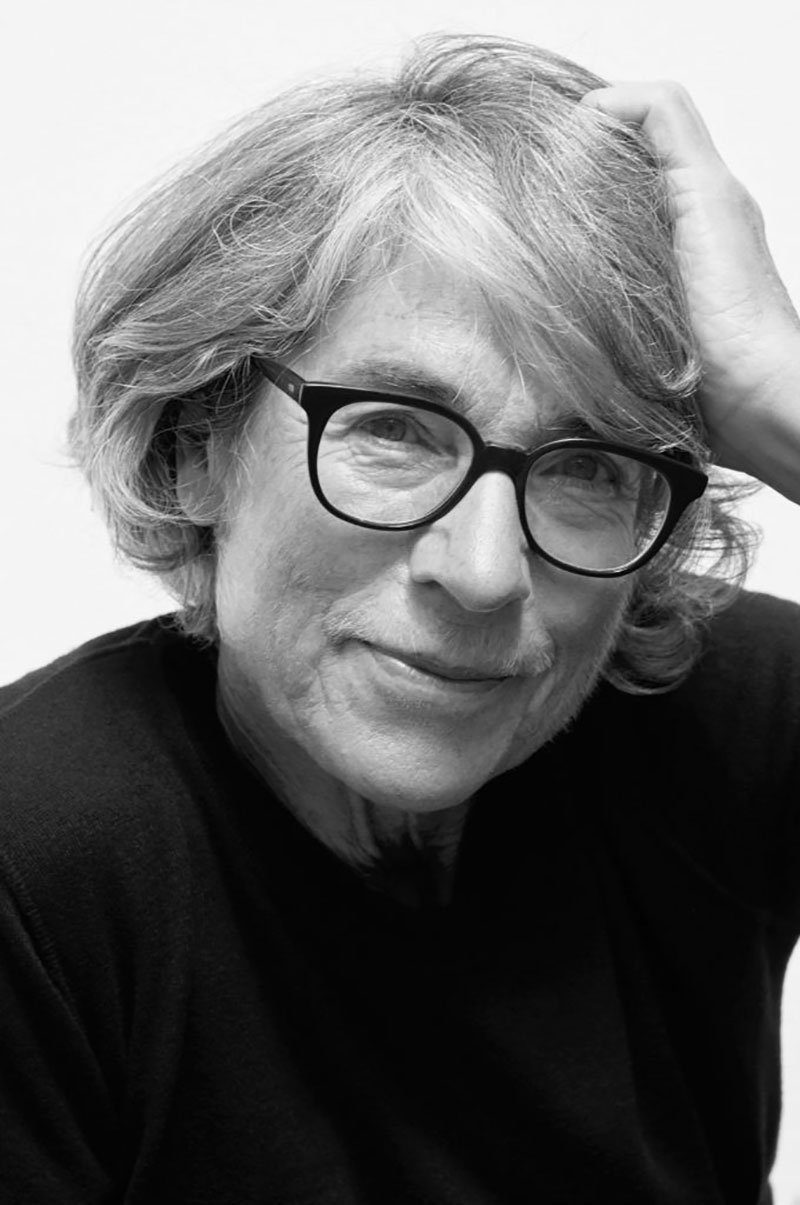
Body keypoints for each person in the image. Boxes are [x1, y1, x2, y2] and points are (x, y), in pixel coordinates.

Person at [1, 32, 799, 1205]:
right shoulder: (37, 864)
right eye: (391, 429)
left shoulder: (714, 715)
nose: (481, 572)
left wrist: (782, 395)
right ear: (197, 441)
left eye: (587, 465)